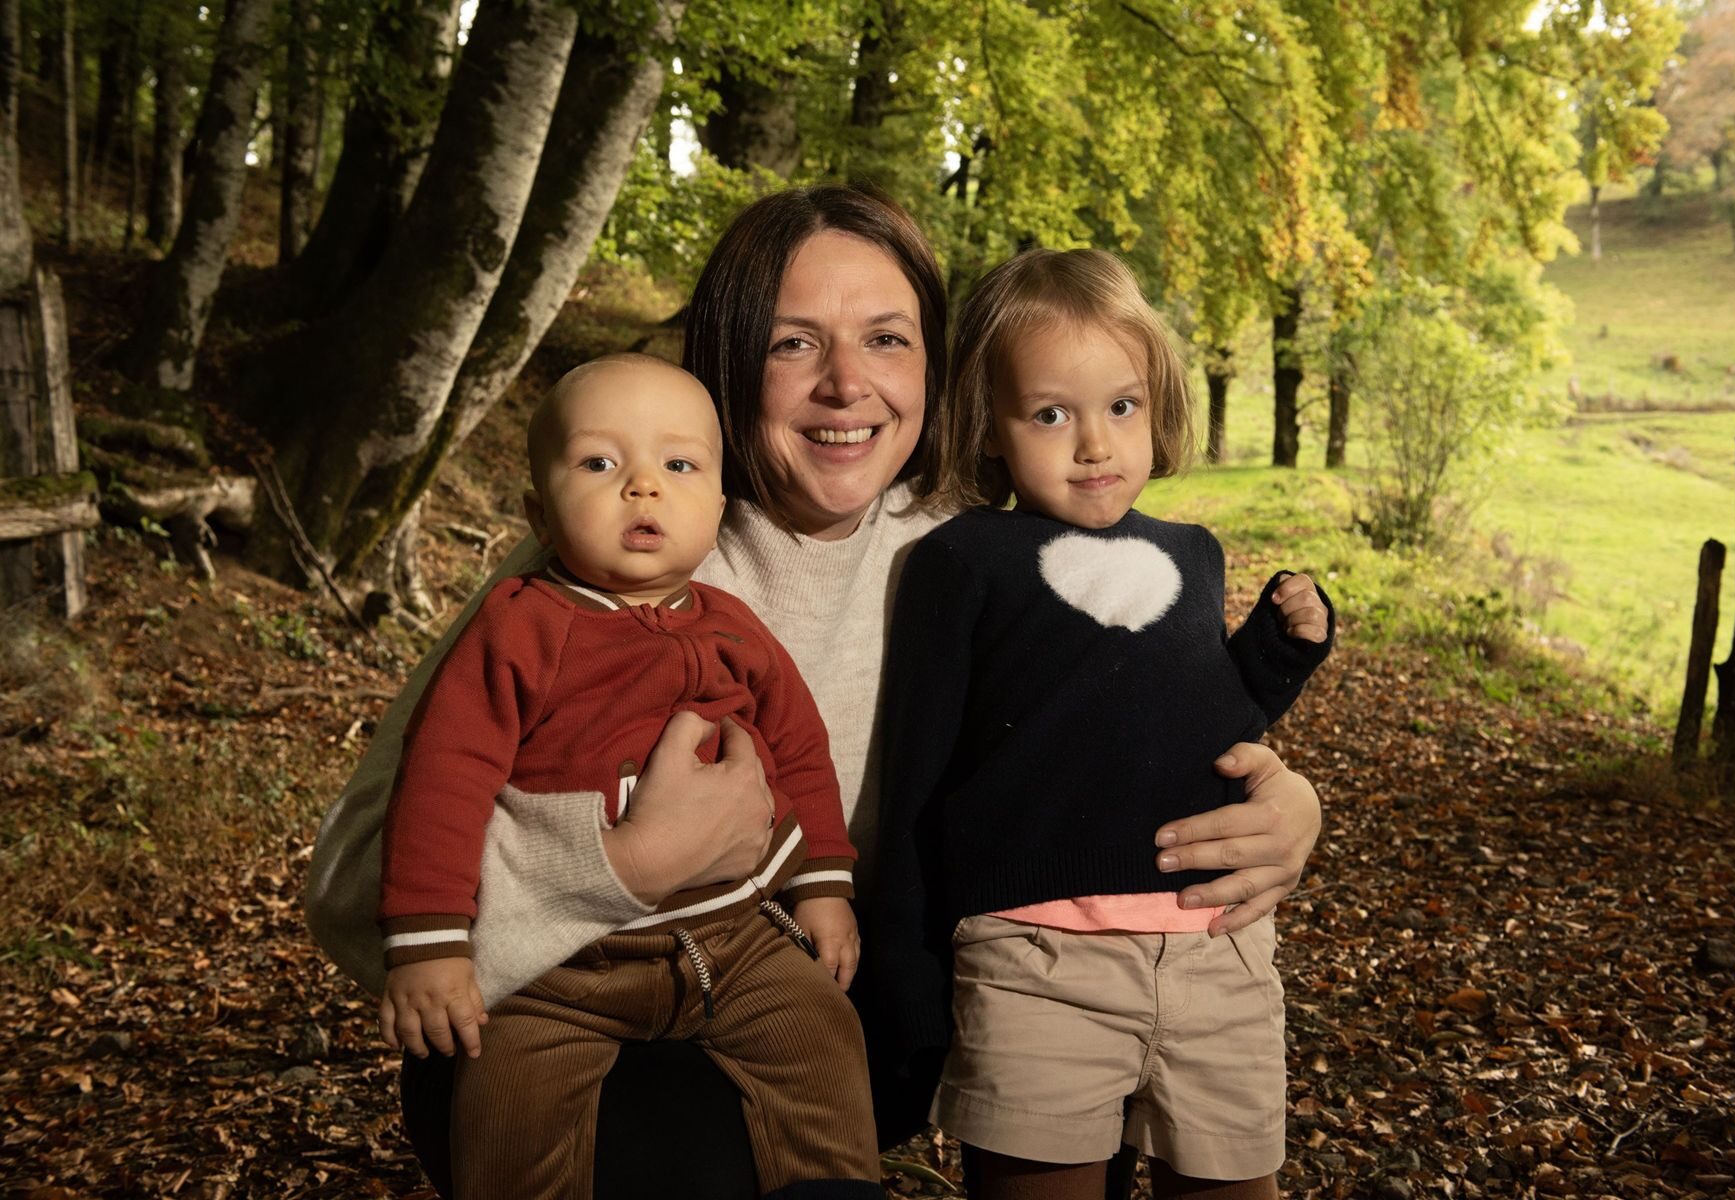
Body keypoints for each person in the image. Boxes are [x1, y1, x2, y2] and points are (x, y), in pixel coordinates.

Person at [304, 183, 1326, 1199]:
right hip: (573, 1035)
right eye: (793, 344)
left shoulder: (978, 556)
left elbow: (1129, 710)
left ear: (937, 369)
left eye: (885, 339)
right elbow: (350, 887)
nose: (846, 384)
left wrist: (1283, 803)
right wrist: (621, 863)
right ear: (727, 363)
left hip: (815, 1009)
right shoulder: (615, 559)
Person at [865, 249, 1334, 1200]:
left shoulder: (1193, 553)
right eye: (1050, 414)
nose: (1094, 444)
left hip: (1215, 945)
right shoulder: (963, 561)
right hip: (1035, 958)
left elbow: (1208, 725)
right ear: (987, 425)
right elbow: (915, 775)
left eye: (1121, 406)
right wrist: (906, 979)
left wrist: (1279, 654)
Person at [376, 354, 878, 1197]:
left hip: (736, 942)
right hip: (563, 966)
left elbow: (799, 749)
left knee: (822, 1036)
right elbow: (443, 780)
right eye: (599, 463)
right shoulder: (520, 628)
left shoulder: (735, 629)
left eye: (679, 465)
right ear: (539, 513)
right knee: (507, 1103)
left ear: (718, 509)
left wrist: (823, 883)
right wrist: (429, 942)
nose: (642, 487)